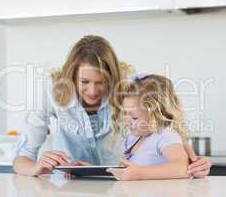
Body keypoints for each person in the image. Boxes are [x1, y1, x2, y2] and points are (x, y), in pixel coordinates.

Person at [12, 35, 211, 177]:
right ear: (71, 76)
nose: (92, 91)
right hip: (68, 187)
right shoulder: (53, 91)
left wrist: (192, 161)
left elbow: (165, 128)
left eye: (101, 82)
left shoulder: (129, 89)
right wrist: (35, 167)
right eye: (84, 82)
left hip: (122, 186)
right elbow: (22, 158)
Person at [107, 74, 190, 180]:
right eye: (125, 113)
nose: (126, 120)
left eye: (134, 117)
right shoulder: (132, 139)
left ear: (158, 115)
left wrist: (140, 173)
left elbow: (182, 168)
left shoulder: (165, 136)